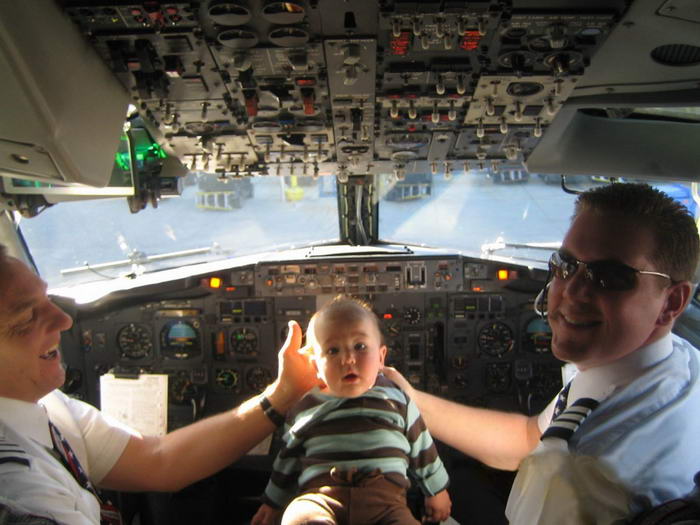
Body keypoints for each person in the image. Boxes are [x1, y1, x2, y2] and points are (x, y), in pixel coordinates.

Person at [385, 182, 700, 524]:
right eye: (565, 265)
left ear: (672, 301)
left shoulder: (576, 471)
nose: (571, 291)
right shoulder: (681, 359)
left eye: (609, 277)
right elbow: (527, 438)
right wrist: (410, 400)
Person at [0, 244, 322, 525]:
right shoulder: (18, 489)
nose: (64, 320)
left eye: (46, 299)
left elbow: (159, 460)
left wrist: (283, 394)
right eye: (27, 317)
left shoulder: (51, 406)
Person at [251, 296, 452, 525]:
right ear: (316, 367)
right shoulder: (304, 405)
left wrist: (436, 491)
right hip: (320, 499)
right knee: (298, 518)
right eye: (333, 350)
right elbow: (287, 459)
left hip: (386, 504)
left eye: (360, 346)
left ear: (381, 357)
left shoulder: (398, 398)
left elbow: (423, 448)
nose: (348, 359)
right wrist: (274, 503)